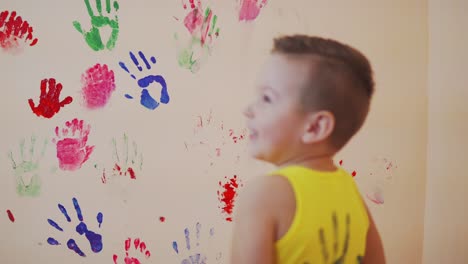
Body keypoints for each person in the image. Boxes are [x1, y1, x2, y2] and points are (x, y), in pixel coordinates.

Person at [230, 35, 385, 264]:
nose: (249, 109)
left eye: (266, 98)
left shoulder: (262, 195)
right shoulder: (350, 193)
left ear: (315, 127)